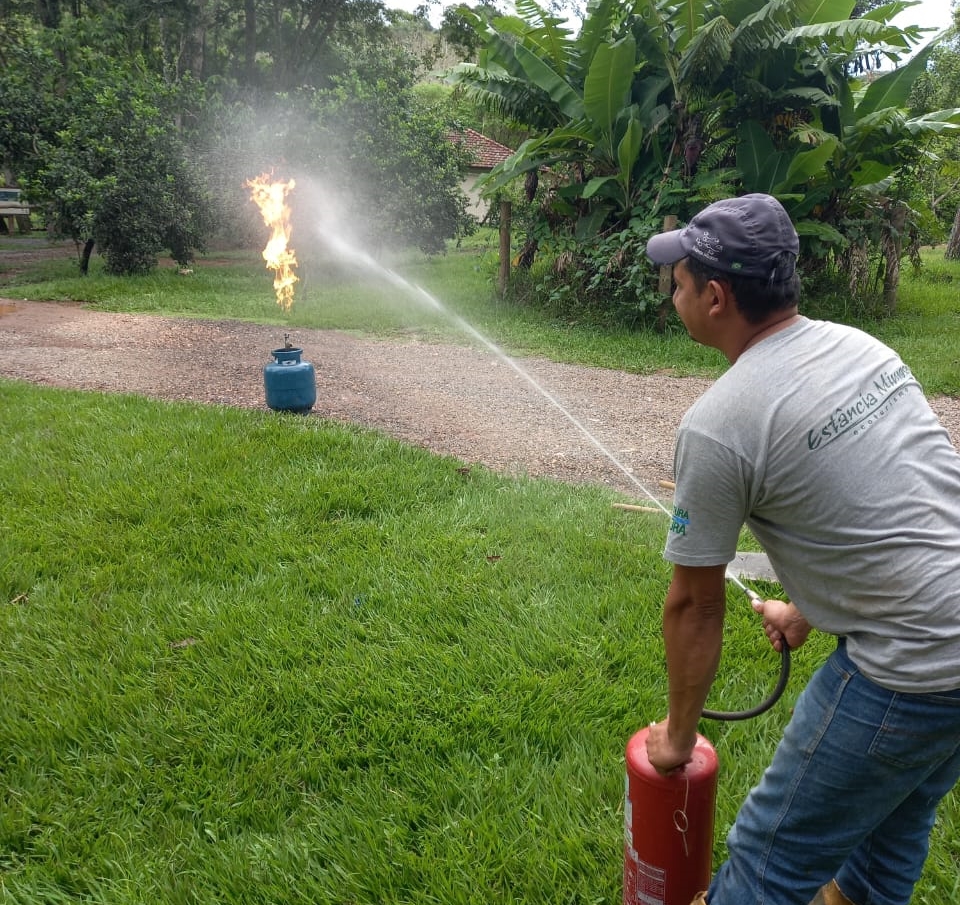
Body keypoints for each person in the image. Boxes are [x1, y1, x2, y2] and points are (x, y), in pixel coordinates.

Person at [641, 193, 960, 905]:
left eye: (680, 281)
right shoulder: (861, 347)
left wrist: (678, 739)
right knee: (896, 823)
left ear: (716, 296)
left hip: (914, 665)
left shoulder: (719, 423)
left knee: (768, 857)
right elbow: (897, 511)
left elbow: (695, 605)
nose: (673, 293)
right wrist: (808, 610)